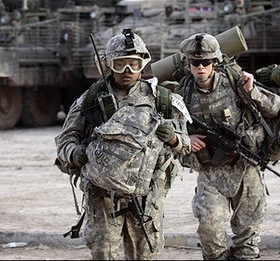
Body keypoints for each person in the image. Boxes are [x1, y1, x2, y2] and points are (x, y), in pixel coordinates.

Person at [54, 28, 191, 260]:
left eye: (134, 64)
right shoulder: (90, 101)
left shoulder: (161, 99)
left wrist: (173, 138)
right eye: (120, 64)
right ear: (108, 64)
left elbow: (185, 146)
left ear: (143, 64)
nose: (127, 71)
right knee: (104, 254)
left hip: (147, 196)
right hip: (103, 196)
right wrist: (74, 152)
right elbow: (65, 140)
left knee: (145, 255)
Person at [174, 33, 280, 260]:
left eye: (206, 62)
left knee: (247, 239)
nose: (200, 67)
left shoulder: (236, 83)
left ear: (215, 61)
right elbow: (166, 131)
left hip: (245, 167)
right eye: (195, 62)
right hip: (211, 171)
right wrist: (186, 140)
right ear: (188, 63)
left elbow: (274, 109)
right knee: (210, 234)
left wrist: (253, 91)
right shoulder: (182, 93)